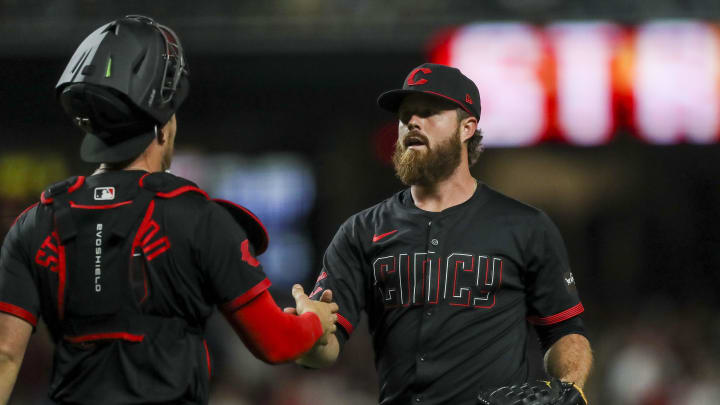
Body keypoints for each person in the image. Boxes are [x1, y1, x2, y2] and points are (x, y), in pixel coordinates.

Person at [0, 15, 337, 405]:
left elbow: (6, 353)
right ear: (162, 126)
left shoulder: (37, 221)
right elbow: (275, 343)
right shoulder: (199, 217)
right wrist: (314, 321)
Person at [296, 63, 593, 405]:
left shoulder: (525, 226)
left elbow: (565, 331)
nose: (412, 122)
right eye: (405, 115)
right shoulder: (361, 231)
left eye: (429, 112)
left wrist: (570, 390)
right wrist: (309, 336)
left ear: (467, 127)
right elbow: (325, 351)